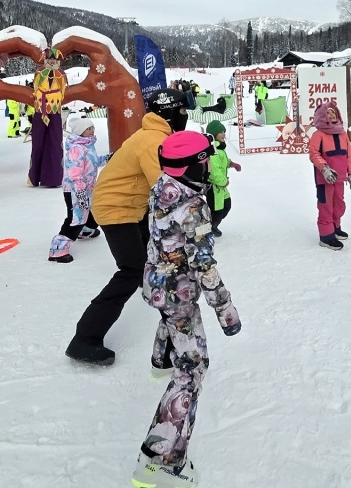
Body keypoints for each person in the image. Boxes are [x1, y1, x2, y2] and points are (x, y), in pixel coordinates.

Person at [131, 131, 241, 488]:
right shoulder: (192, 207)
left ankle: (160, 359)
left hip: (156, 284)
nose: (209, 165)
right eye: (205, 160)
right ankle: (159, 461)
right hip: (178, 294)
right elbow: (203, 264)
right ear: (193, 166)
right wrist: (225, 309)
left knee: (171, 322)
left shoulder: (162, 187)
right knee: (192, 370)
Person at [65, 87, 189, 366]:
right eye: (182, 110)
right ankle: (84, 338)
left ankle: (170, 320)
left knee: (149, 264)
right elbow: (164, 186)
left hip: (131, 207)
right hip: (116, 208)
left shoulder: (157, 135)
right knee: (132, 269)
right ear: (169, 112)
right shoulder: (153, 140)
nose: (185, 116)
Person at [48, 114, 106, 262]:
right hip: (75, 189)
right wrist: (80, 192)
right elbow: (74, 173)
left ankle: (86, 230)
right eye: (88, 128)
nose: (92, 130)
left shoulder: (88, 145)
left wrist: (108, 158)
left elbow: (93, 162)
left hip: (88, 188)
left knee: (94, 209)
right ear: (80, 131)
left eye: (92, 127)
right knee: (76, 217)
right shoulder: (76, 148)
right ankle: (58, 248)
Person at [308, 100, 351, 250]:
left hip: (340, 178)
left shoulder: (343, 134)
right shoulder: (318, 135)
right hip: (325, 179)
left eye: (333, 112)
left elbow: (348, 156)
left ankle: (335, 227)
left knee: (338, 204)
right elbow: (314, 154)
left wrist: (350, 174)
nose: (332, 115)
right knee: (326, 206)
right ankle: (326, 237)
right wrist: (325, 168)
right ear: (321, 116)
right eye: (328, 113)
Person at [29, 48, 67, 188]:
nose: (52, 61)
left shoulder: (61, 74)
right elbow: (36, 88)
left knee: (55, 142)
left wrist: (54, 100)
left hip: (55, 109)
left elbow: (63, 91)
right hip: (41, 109)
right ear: (45, 59)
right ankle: (35, 176)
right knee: (38, 141)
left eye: (55, 59)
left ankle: (53, 178)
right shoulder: (40, 72)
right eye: (50, 58)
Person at [205, 119, 241, 237]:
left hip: (221, 187)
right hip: (215, 188)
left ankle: (212, 225)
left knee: (227, 206)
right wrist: (224, 182)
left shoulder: (220, 148)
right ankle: (208, 228)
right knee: (217, 212)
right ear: (214, 134)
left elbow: (223, 162)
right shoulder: (213, 151)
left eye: (224, 131)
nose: (223, 134)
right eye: (220, 132)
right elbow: (214, 172)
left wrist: (231, 163)